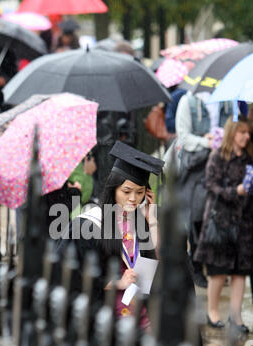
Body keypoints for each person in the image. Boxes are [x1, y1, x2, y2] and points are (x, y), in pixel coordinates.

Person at [56, 141, 165, 329]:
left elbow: (158, 258)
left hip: (141, 315)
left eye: (139, 192)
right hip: (107, 320)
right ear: (113, 188)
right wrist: (116, 283)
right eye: (126, 191)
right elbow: (74, 275)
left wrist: (151, 218)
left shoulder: (139, 221)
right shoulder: (88, 225)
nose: (133, 198)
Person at [194, 116, 253, 333]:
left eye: (248, 133)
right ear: (232, 133)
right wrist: (234, 191)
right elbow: (210, 185)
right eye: (242, 132)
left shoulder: (248, 158)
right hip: (220, 222)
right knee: (218, 271)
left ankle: (236, 318)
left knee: (240, 272)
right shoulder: (218, 156)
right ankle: (213, 312)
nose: (246, 136)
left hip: (244, 223)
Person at [175, 91, 233, 288]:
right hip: (197, 169)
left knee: (221, 216)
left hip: (222, 166)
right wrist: (206, 142)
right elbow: (183, 135)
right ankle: (196, 266)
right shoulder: (188, 101)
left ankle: (216, 265)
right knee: (197, 217)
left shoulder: (227, 101)